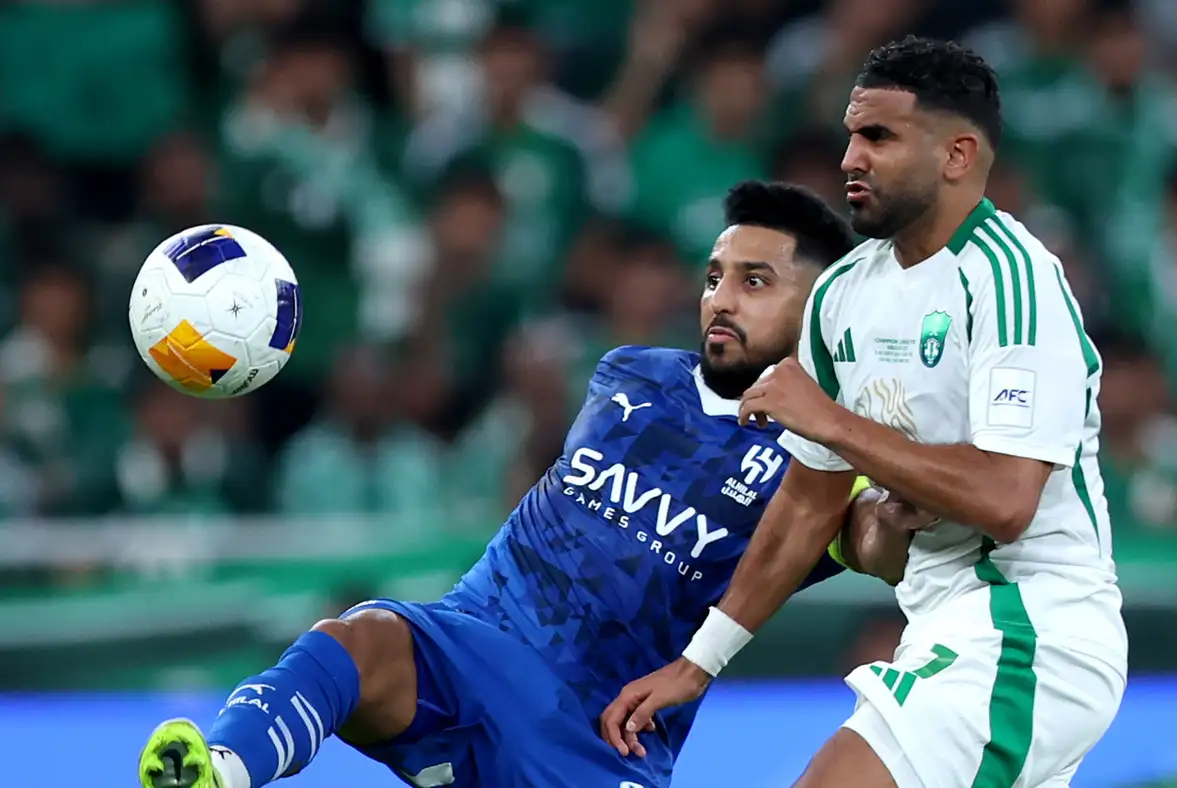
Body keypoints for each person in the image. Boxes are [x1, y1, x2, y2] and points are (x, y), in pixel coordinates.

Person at [137, 181, 919, 788]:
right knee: (355, 639)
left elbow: (873, 542)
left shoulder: (817, 461)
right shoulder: (632, 373)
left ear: (821, 306)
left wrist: (901, 507)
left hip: (598, 731)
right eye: (715, 277)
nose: (721, 299)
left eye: (756, 282)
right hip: (471, 641)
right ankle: (219, 769)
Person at [601, 37, 1127, 788]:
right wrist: (699, 663)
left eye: (879, 137)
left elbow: (1008, 499)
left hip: (1031, 627)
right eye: (851, 135)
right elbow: (806, 504)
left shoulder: (1011, 280)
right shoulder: (843, 293)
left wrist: (834, 423)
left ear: (957, 155)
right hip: (939, 624)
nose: (850, 158)